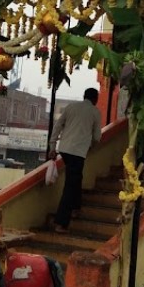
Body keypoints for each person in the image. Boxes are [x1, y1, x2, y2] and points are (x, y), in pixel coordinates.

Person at [48, 88, 101, 233]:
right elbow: (97, 137)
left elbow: (58, 125)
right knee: (71, 184)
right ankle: (61, 222)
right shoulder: (95, 112)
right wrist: (91, 147)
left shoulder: (71, 107)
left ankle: (76, 208)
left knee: (76, 178)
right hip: (78, 152)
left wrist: (52, 146)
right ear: (96, 99)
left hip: (64, 149)